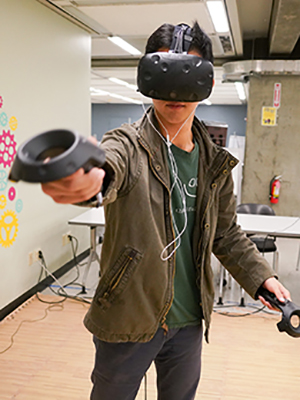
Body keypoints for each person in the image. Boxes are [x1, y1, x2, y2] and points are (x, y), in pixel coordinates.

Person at [42, 21, 290, 400]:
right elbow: (110, 165)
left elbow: (225, 234)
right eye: (165, 74)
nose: (176, 91)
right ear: (148, 77)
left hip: (189, 321)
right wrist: (92, 179)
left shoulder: (214, 163)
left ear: (205, 84)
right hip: (128, 315)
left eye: (188, 76)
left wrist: (261, 277)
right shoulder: (127, 144)